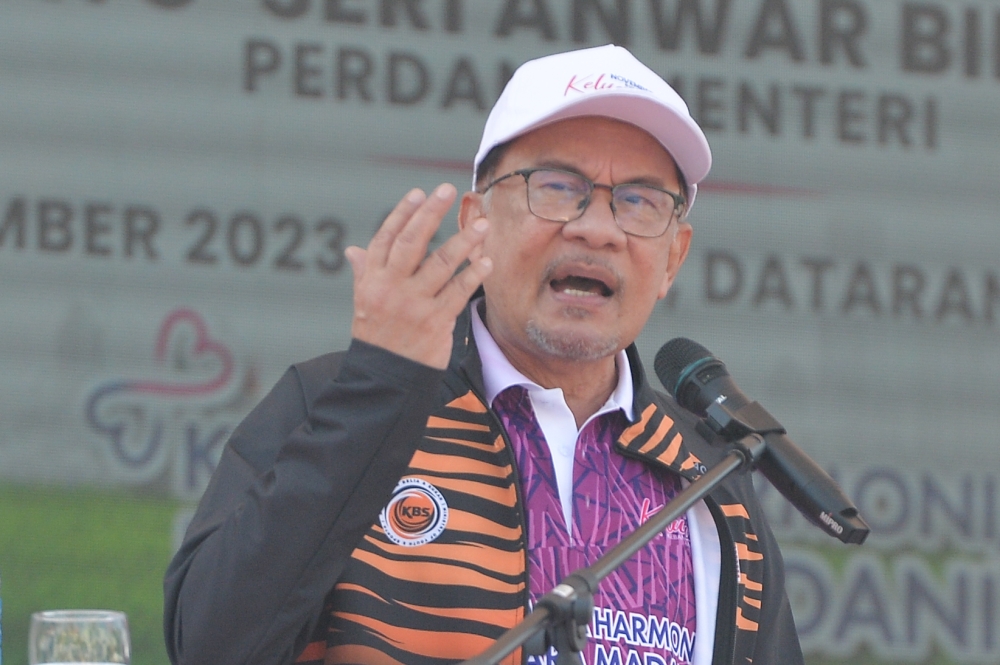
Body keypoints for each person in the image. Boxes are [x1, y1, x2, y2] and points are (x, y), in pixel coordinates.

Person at [163, 44, 802, 665]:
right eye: (558, 186)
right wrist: (378, 392)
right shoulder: (341, 404)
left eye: (638, 201)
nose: (597, 228)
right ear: (478, 224)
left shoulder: (707, 476)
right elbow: (212, 646)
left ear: (673, 258)